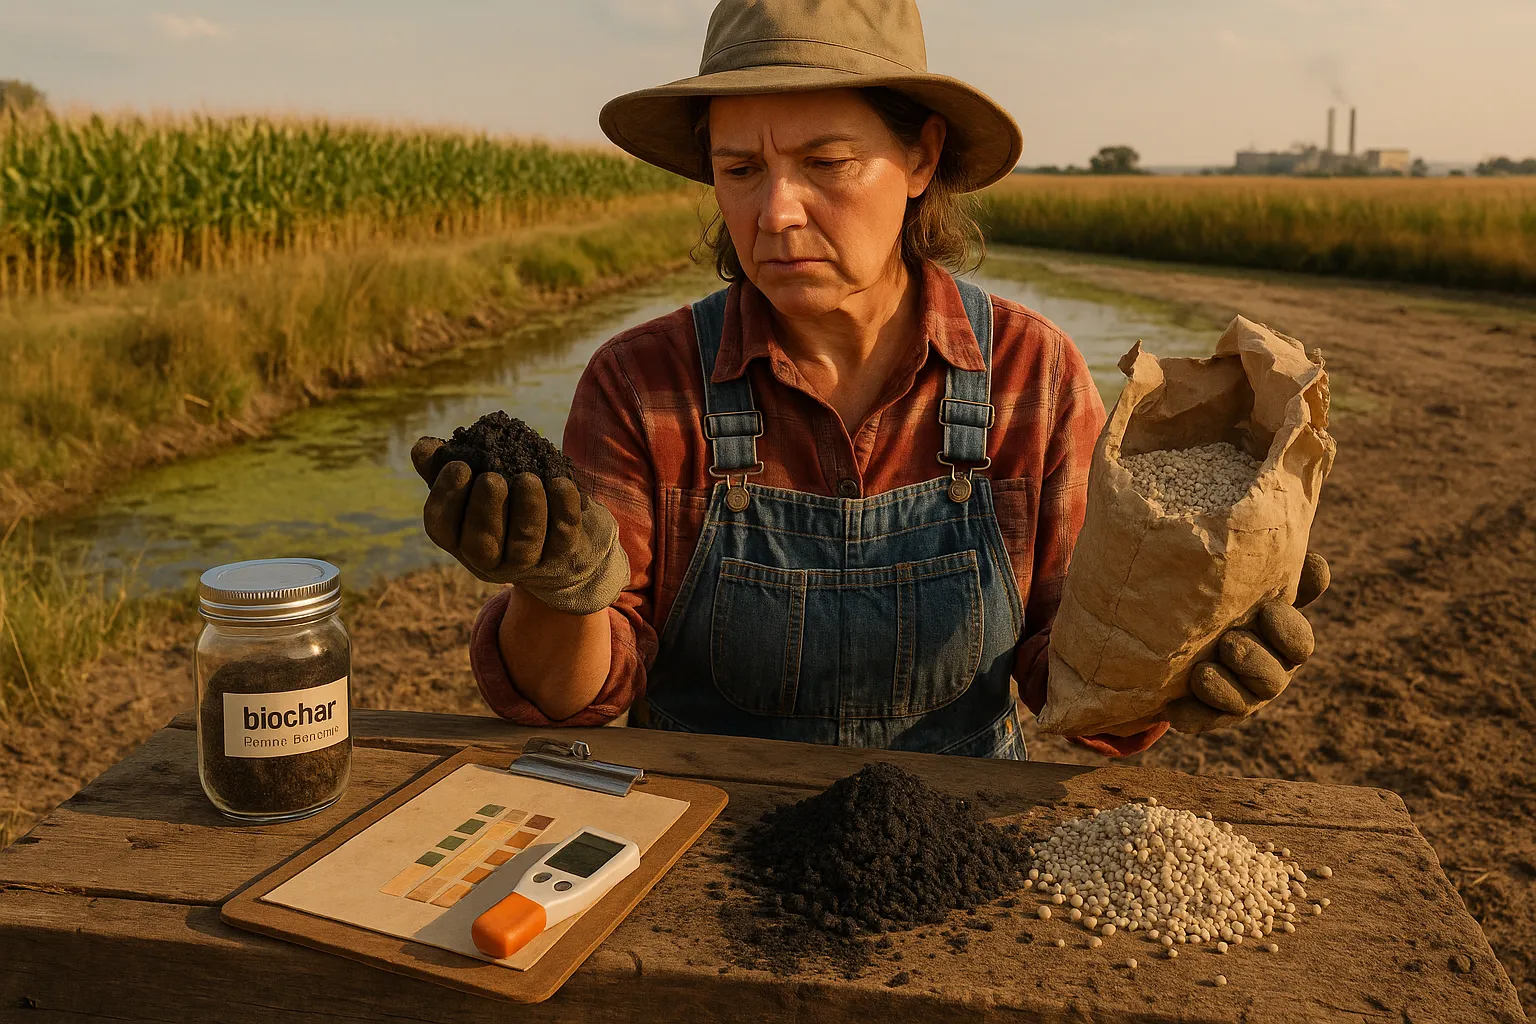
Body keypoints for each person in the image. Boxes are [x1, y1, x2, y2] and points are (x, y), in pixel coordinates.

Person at [410, 0, 1328, 759]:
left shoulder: (1029, 374)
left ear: (922, 158)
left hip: (954, 844)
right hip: (697, 851)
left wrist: (1177, 658)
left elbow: (1071, 674)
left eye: (826, 163)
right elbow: (580, 700)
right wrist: (558, 591)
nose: (774, 211)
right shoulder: (643, 386)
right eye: (740, 169)